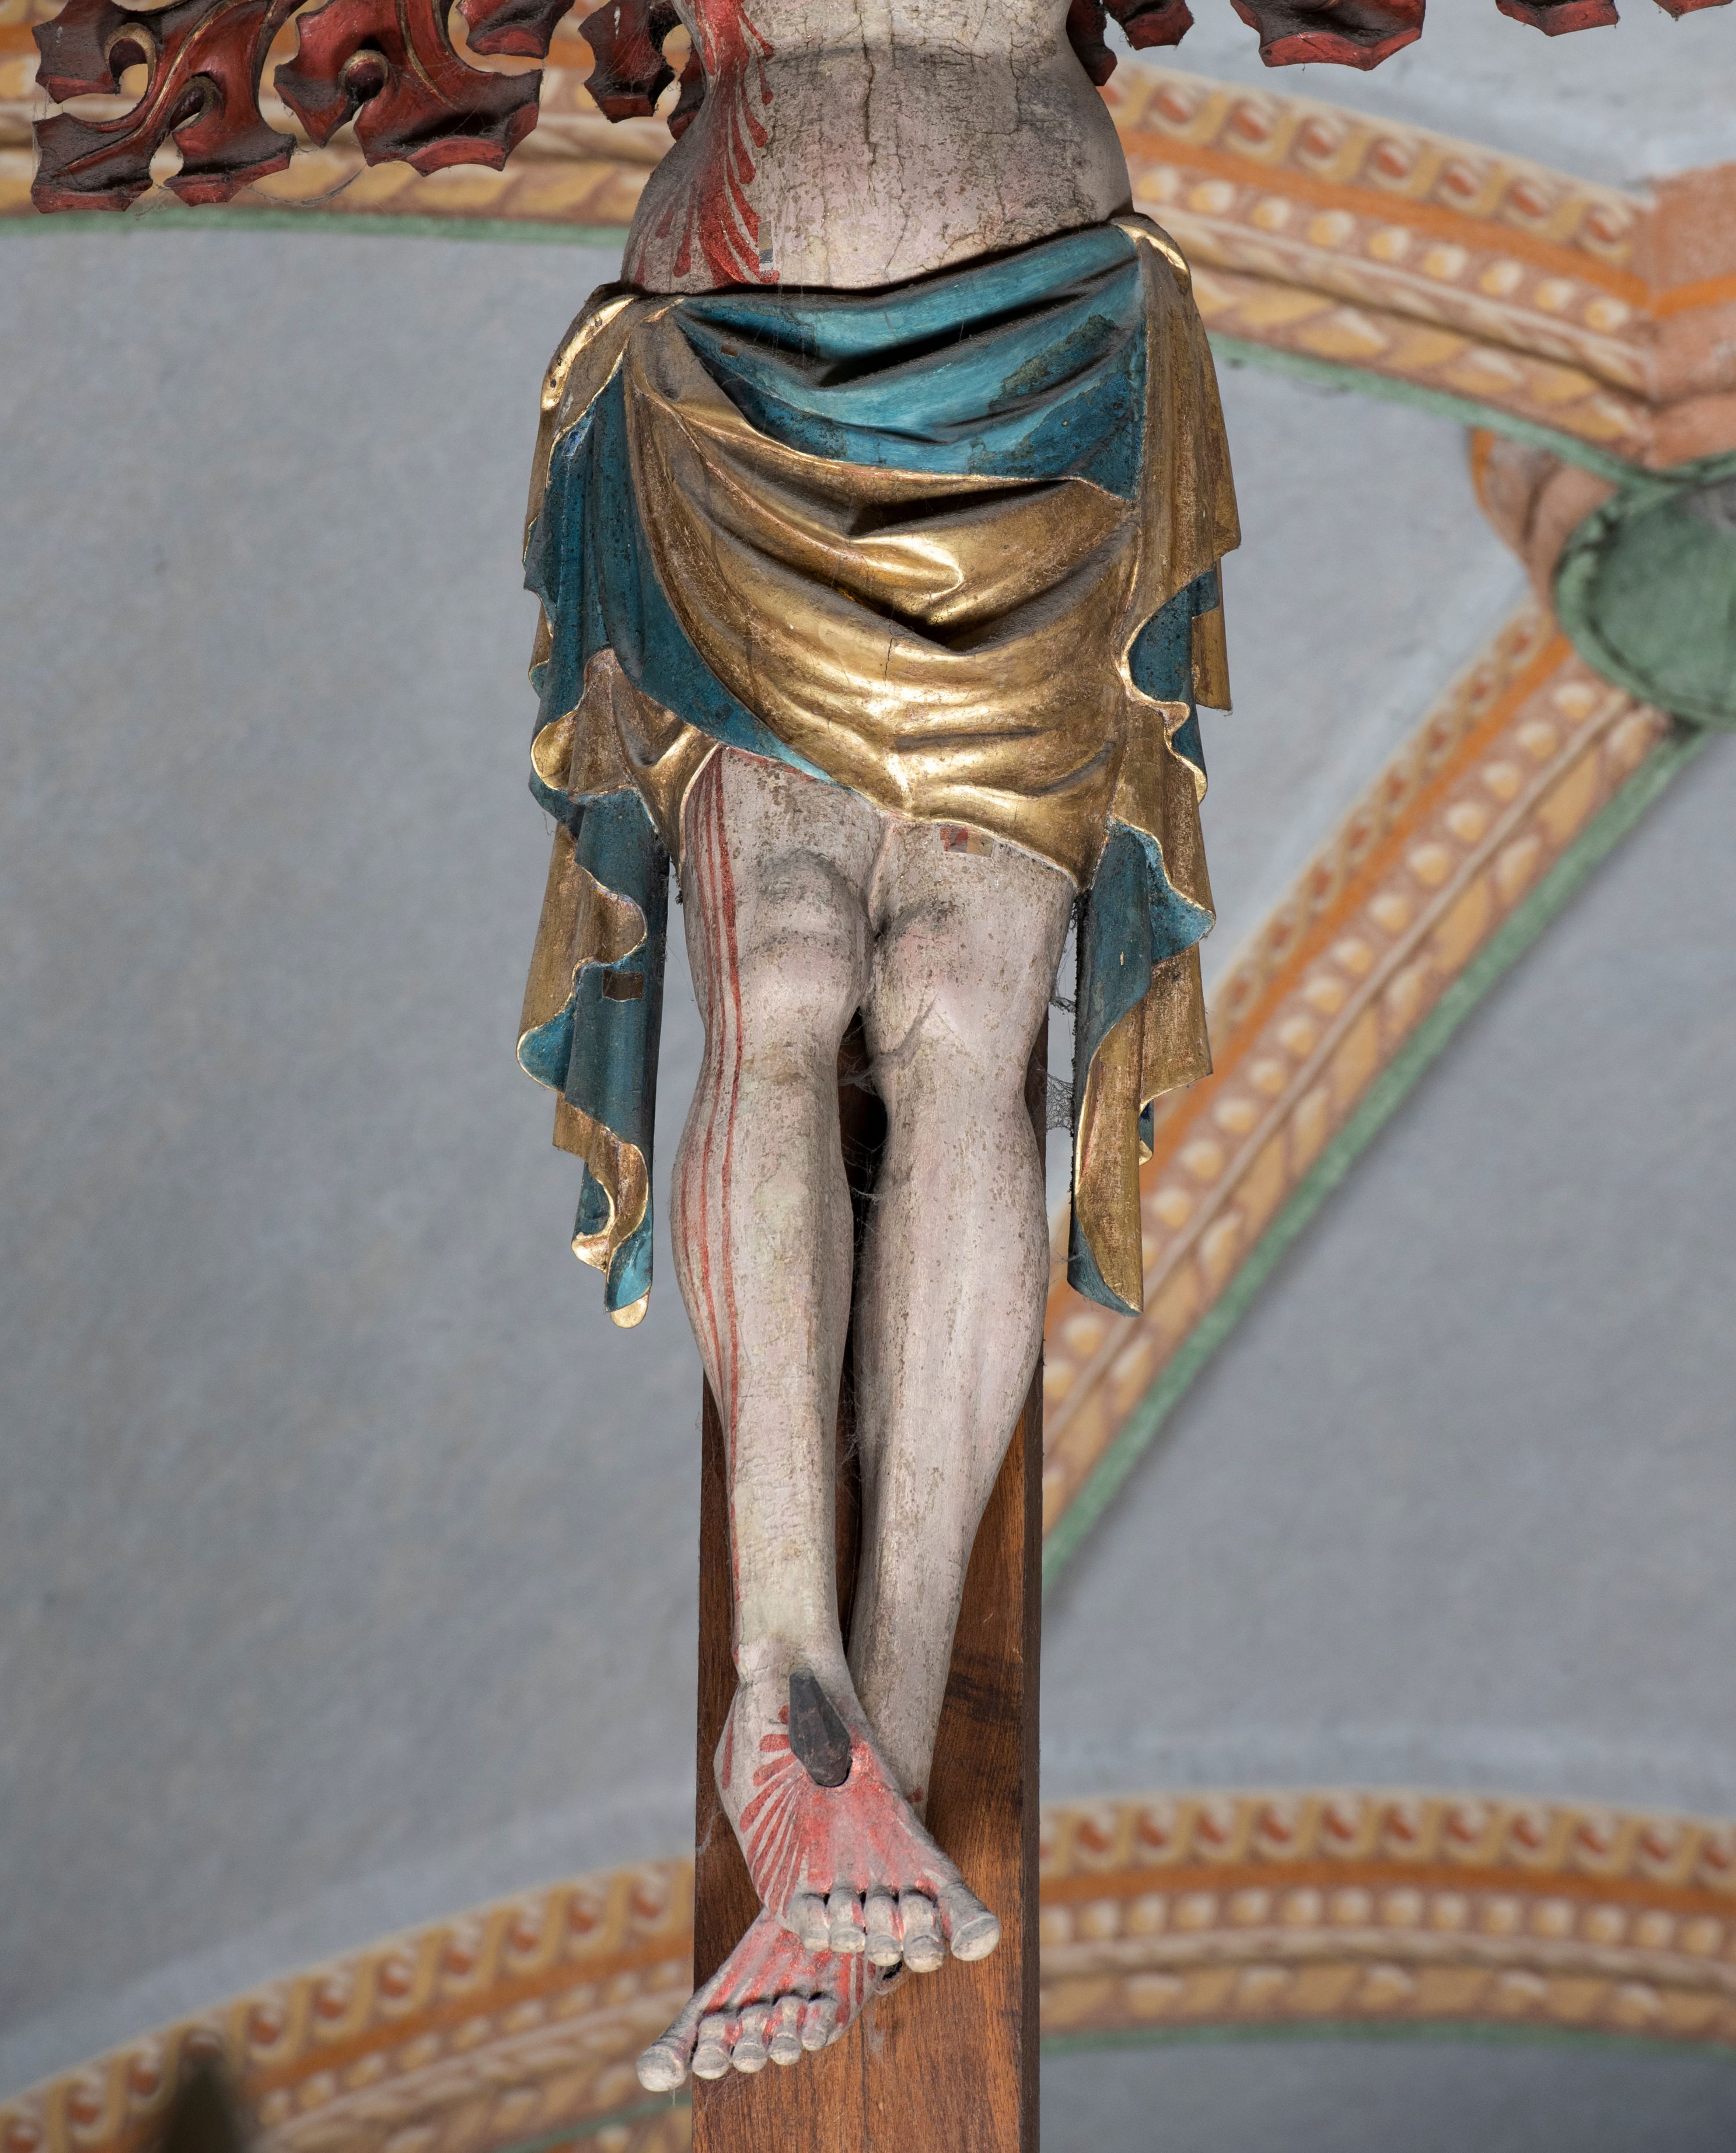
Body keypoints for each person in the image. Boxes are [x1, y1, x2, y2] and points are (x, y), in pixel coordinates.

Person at [513, 0, 1238, 2087]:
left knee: (952, 1014)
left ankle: (862, 1737)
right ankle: (796, 1673)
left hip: (1044, 370)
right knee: (814, 982)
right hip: (742, 372)